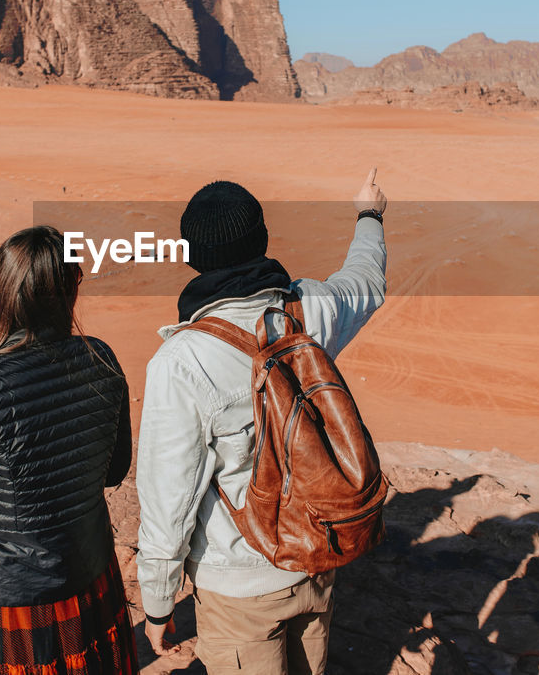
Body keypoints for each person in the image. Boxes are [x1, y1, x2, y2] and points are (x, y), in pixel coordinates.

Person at [136, 170, 388, 675]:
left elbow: (170, 498)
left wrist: (159, 604)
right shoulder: (308, 309)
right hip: (315, 560)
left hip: (239, 588)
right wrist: (369, 215)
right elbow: (366, 282)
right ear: (262, 241)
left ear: (192, 257)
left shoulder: (183, 361)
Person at [0, 226, 139, 675]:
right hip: (91, 567)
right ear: (68, 290)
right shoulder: (101, 358)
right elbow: (114, 469)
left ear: (0, 291)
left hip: (11, 594)